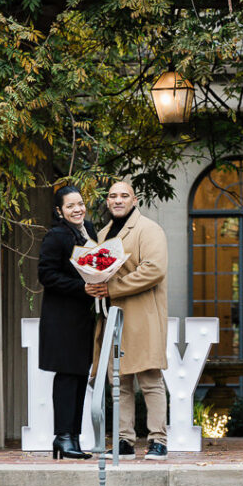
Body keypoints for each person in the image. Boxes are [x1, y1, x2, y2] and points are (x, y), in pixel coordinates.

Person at [86, 180, 169, 461]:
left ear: (135, 200)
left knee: (150, 378)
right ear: (107, 202)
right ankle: (124, 441)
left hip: (142, 315)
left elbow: (154, 269)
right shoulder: (103, 233)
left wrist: (111, 289)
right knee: (118, 381)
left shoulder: (149, 229)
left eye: (124, 195)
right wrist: (91, 283)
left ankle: (158, 440)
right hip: (112, 316)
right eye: (112, 196)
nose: (118, 200)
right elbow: (98, 271)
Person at [38, 185, 97, 460]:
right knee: (66, 377)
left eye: (80, 204)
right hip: (61, 318)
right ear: (60, 211)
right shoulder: (56, 235)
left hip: (83, 317)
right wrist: (81, 288)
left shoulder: (89, 231)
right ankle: (63, 436)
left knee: (80, 376)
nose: (78, 209)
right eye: (71, 206)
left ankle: (72, 437)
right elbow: (46, 276)